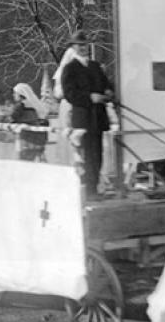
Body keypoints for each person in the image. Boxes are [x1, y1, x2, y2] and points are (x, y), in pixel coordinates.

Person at [60, 29, 114, 200]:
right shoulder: (70, 69)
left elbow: (107, 84)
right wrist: (90, 97)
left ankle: (95, 187)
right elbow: (69, 94)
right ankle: (88, 191)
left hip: (98, 118)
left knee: (97, 154)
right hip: (82, 120)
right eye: (79, 45)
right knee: (86, 156)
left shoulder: (95, 66)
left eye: (84, 45)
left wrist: (108, 91)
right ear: (73, 47)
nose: (82, 48)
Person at [11, 84, 49, 161]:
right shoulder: (34, 105)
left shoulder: (20, 106)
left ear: (20, 94)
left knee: (24, 160)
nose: (13, 95)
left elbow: (13, 118)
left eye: (15, 93)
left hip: (24, 137)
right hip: (36, 138)